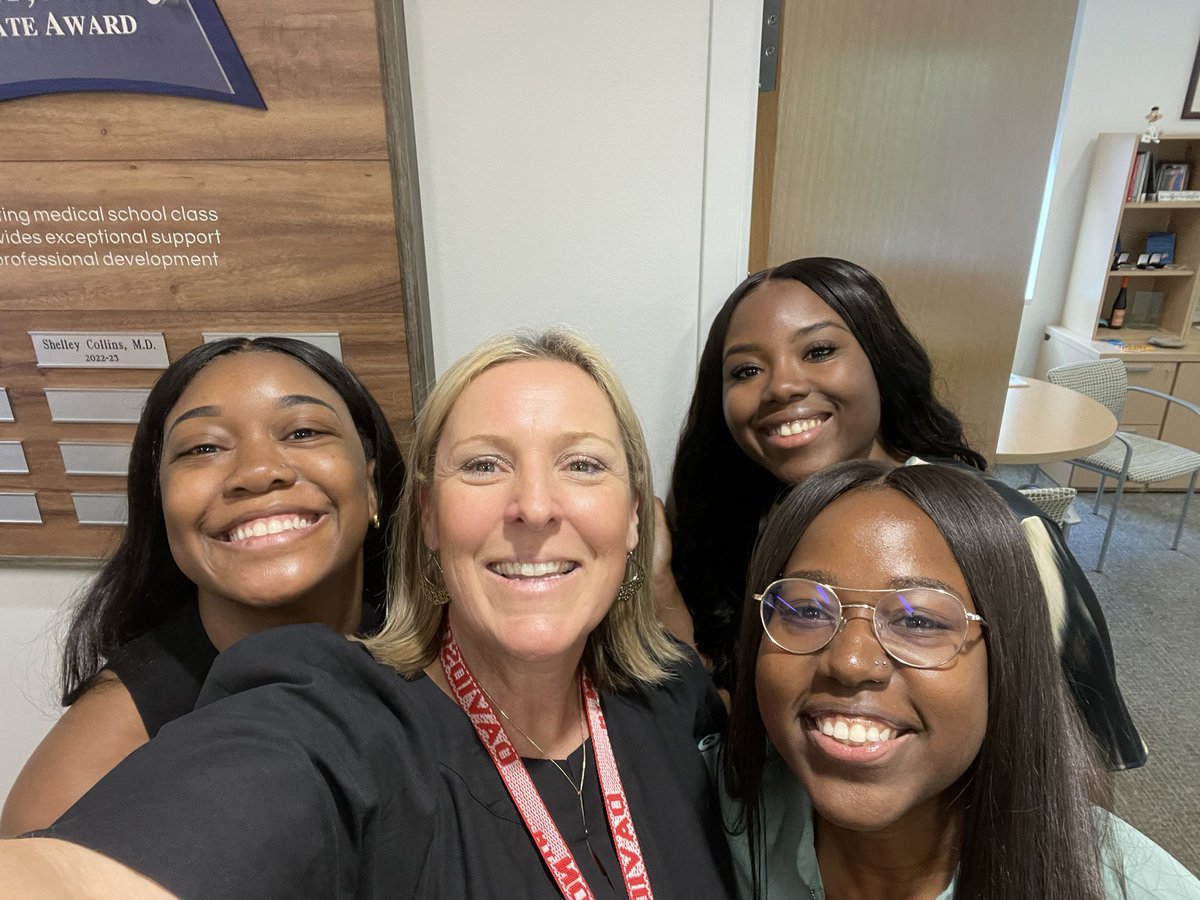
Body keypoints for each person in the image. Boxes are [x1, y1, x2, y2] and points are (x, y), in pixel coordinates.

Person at [1, 329, 735, 898]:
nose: (535, 506)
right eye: (483, 464)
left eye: (583, 464)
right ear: (427, 514)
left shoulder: (674, 695)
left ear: (637, 516)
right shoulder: (333, 718)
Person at [665, 256, 1145, 770]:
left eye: (819, 350)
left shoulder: (1002, 529)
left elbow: (1088, 759)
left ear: (881, 363)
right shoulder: (748, 518)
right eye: (747, 370)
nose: (781, 386)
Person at [722, 461, 1200, 900]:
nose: (849, 662)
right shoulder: (707, 814)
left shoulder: (1127, 887)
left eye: (919, 621)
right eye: (806, 610)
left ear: (1006, 661)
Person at [1, 336, 405, 837]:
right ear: (162, 504)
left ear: (371, 485)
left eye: (302, 432)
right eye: (204, 447)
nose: (258, 472)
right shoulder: (80, 791)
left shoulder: (451, 649)